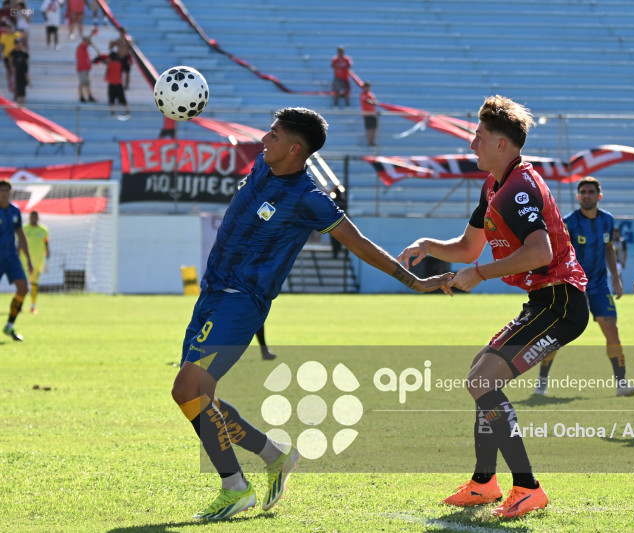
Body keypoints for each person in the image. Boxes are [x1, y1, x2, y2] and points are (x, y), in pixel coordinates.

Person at [171, 107, 451, 521]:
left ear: (295, 148)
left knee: (187, 391)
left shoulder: (309, 198)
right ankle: (275, 455)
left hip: (241, 302)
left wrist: (416, 281)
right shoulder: (262, 167)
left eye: (274, 134)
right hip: (212, 294)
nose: (265, 139)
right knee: (200, 398)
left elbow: (358, 243)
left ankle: (234, 487)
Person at [399, 95, 589, 519]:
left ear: (502, 144)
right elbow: (467, 248)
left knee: (482, 381)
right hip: (544, 300)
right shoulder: (494, 185)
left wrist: (480, 275)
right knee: (479, 378)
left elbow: (539, 252)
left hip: (562, 302)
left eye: (479, 137)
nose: (472, 144)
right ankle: (485, 483)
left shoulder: (520, 187)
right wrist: (429, 245)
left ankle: (527, 487)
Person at [533, 177, 634, 397]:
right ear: (578, 196)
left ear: (599, 196)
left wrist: (616, 278)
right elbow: (557, 252)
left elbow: (609, 248)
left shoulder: (607, 220)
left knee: (611, 328)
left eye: (591, 191)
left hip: (600, 285)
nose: (587, 195)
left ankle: (621, 384)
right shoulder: (569, 223)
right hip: (572, 286)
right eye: (583, 192)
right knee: (557, 333)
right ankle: (541, 383)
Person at [0, 180, 33, 341]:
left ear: (10, 193)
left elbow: (20, 235)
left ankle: (10, 325)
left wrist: (29, 260)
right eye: (1, 191)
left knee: (23, 288)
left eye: (6, 190)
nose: (4, 193)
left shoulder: (15, 211)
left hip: (11, 257)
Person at [20, 210, 48, 314]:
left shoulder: (44, 230)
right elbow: (19, 244)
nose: (33, 219)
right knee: (23, 284)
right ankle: (20, 306)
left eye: (35, 217)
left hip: (38, 262)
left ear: (38, 218)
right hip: (25, 262)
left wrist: (48, 259)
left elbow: (46, 245)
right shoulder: (24, 229)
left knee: (34, 285)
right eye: (32, 217)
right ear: (29, 218)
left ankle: (32, 306)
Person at [96, 48, 128, 118]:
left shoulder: (110, 64)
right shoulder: (119, 63)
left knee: (112, 99)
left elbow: (107, 71)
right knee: (122, 98)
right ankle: (127, 111)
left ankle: (113, 112)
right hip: (118, 83)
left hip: (112, 83)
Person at [75, 34, 96, 102]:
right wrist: (91, 34)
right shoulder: (81, 47)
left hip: (86, 69)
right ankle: (81, 96)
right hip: (82, 68)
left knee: (87, 83)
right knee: (82, 82)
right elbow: (86, 40)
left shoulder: (85, 49)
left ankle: (89, 96)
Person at [9, 37, 30, 105]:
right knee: (16, 88)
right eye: (17, 44)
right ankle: (17, 102)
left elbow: (27, 63)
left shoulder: (24, 53)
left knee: (22, 89)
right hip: (16, 72)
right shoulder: (13, 52)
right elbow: (11, 62)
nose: (18, 45)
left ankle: (22, 104)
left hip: (22, 72)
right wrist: (13, 71)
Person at [359, 82, 377, 146]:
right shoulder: (362, 94)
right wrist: (373, 102)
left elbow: (374, 102)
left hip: (373, 114)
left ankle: (372, 142)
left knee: (373, 128)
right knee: (369, 128)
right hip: (367, 114)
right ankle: (369, 142)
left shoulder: (371, 94)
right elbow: (367, 101)